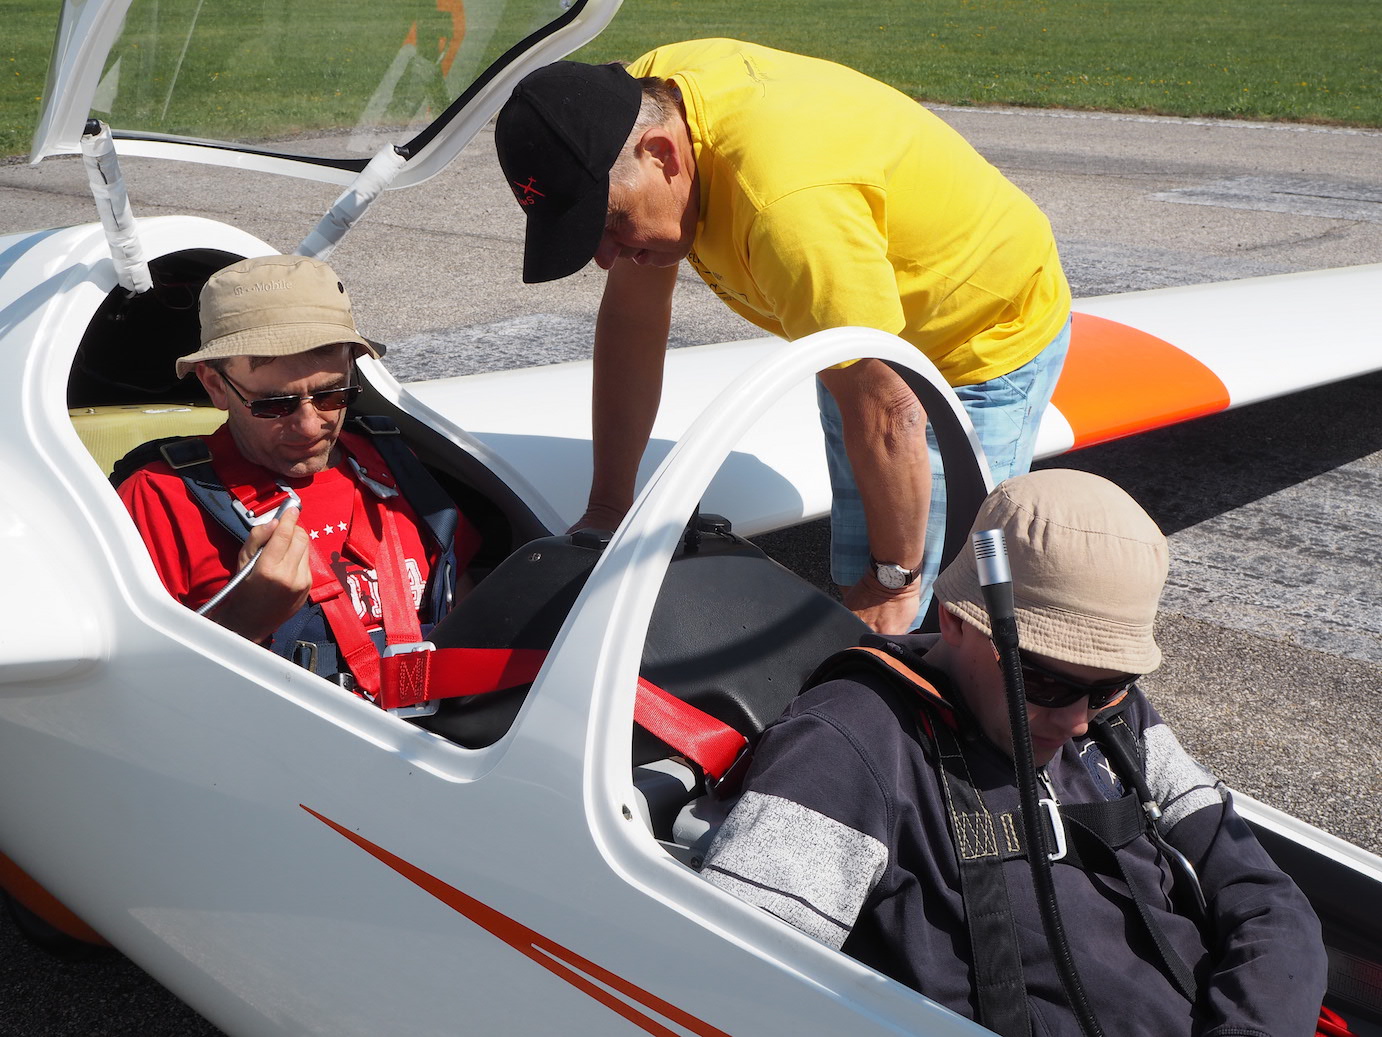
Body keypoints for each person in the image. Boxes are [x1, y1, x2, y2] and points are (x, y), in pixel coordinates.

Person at [698, 469, 1327, 1036]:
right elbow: (733, 987)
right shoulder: (848, 746)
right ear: (954, 619)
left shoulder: (1116, 718)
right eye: (1045, 683)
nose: (1078, 722)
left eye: (1108, 684)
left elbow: (1264, 896)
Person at [493, 39, 1072, 634]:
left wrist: (895, 580)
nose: (603, 256)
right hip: (854, 309)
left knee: (951, 609)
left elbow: (890, 414)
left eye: (611, 221)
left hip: (980, 324)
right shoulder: (631, 108)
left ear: (662, 154)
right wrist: (610, 507)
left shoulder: (789, 216)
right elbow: (633, 321)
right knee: (863, 575)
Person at [118, 253, 481, 700]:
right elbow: (134, 696)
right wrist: (245, 620)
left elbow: (460, 595)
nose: (310, 427)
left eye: (333, 394)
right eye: (275, 404)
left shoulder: (393, 462)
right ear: (214, 385)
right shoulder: (158, 499)